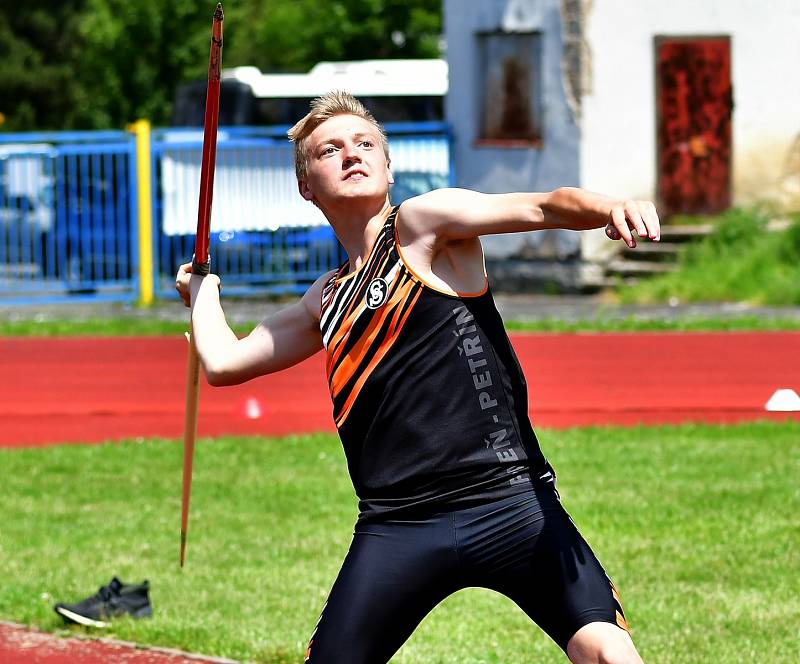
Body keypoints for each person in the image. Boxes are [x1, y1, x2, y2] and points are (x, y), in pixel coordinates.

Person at [175, 91, 659, 663]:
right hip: (397, 524)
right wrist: (204, 295)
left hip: (507, 499)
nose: (351, 155)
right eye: (330, 150)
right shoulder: (324, 300)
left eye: (365, 144)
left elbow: (545, 207)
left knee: (607, 652)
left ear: (388, 164)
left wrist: (609, 208)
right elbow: (225, 364)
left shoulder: (421, 228)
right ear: (306, 185)